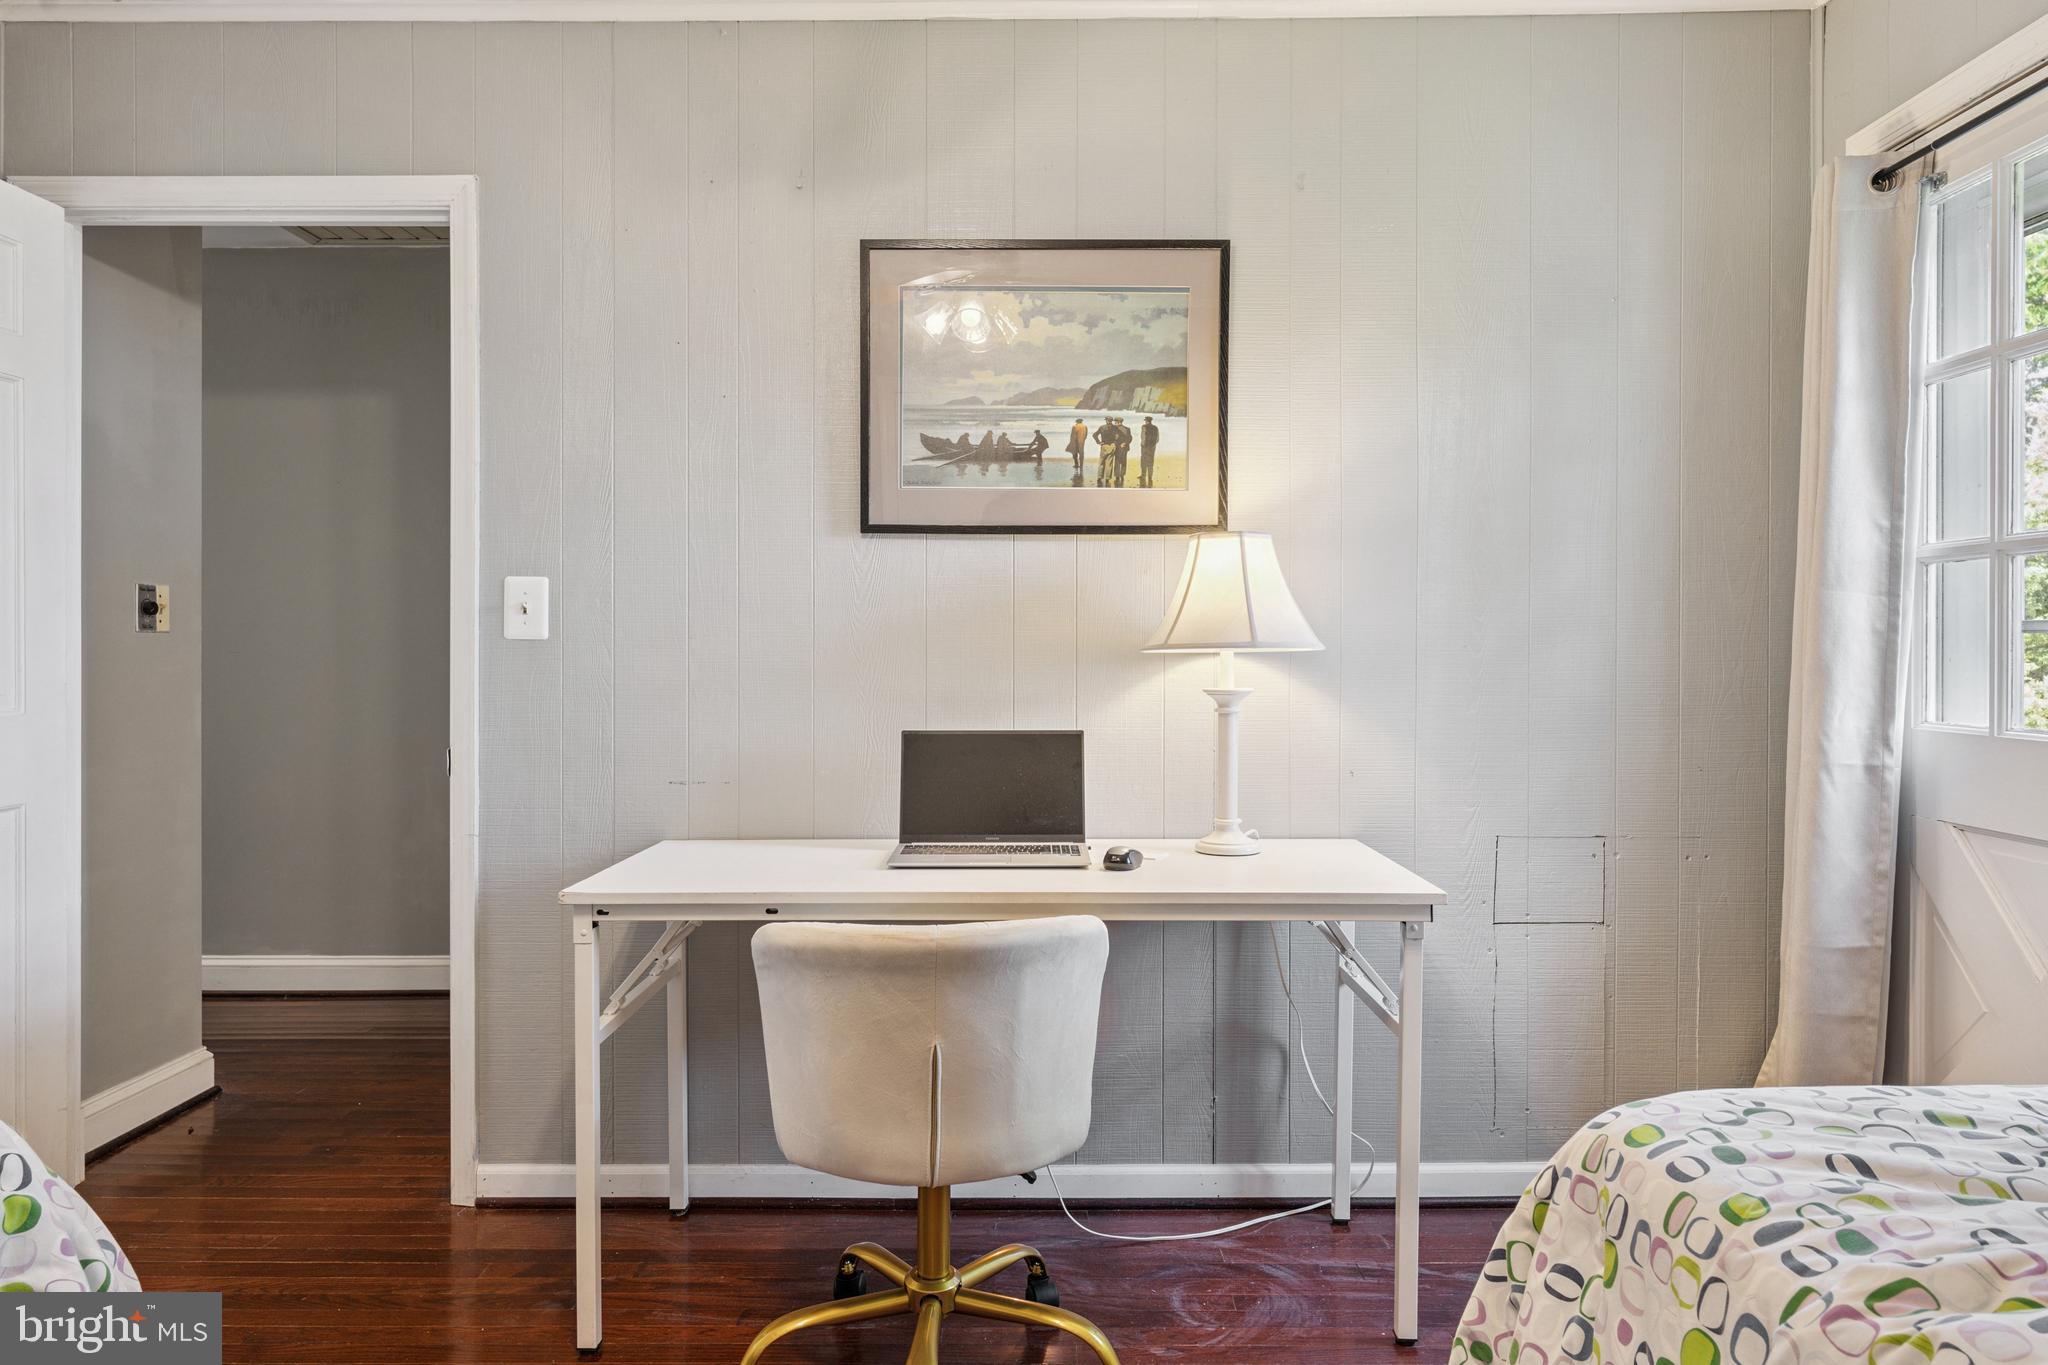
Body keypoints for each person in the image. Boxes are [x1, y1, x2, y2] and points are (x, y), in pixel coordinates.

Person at [1092, 416, 1118, 487]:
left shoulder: (1102, 427)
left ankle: (1099, 477)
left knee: (1101, 462)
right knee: (1109, 463)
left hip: (1104, 446)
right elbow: (1117, 437)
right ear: (1111, 420)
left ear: (1106, 420)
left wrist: (1099, 442)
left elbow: (1094, 435)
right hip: (1112, 445)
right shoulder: (1115, 428)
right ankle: (1107, 478)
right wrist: (1115, 444)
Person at [1138, 415, 1160, 488]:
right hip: (1152, 447)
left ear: (1146, 421)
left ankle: (1143, 475)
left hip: (1145, 447)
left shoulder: (1144, 427)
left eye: (1145, 420)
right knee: (1151, 461)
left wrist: (1142, 445)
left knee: (1143, 461)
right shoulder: (1155, 427)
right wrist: (1153, 445)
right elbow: (1157, 439)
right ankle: (1150, 477)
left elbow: (1143, 436)